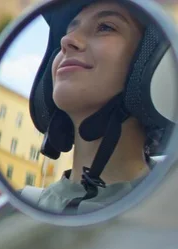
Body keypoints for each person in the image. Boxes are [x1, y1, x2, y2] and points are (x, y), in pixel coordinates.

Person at [19, 0, 175, 214]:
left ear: (147, 62)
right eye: (69, 30)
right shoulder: (22, 208)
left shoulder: (167, 212)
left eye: (105, 27)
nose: (67, 40)